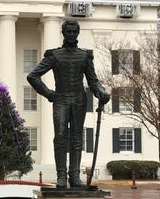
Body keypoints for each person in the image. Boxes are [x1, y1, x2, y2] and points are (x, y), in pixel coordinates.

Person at [27, 19, 110, 188]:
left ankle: (75, 176)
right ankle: (62, 176)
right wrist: (50, 94)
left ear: (78, 33)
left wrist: (101, 92)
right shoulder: (55, 55)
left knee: (77, 139)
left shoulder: (85, 55)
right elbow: (33, 76)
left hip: (79, 99)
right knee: (60, 138)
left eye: (74, 32)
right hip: (61, 99)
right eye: (68, 31)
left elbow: (93, 81)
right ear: (63, 33)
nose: (71, 34)